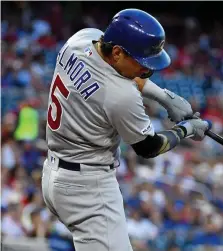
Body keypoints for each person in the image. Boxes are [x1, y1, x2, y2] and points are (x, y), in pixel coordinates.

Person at [41, 8, 211, 251]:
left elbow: (116, 72)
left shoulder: (81, 39)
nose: (147, 71)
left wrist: (163, 96)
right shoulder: (120, 96)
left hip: (55, 174)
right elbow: (148, 147)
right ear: (118, 52)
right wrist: (186, 129)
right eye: (143, 64)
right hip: (87, 188)